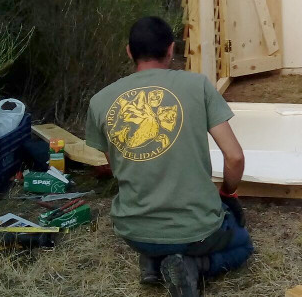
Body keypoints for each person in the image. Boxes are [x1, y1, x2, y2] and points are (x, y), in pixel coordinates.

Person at [85, 16, 253, 296]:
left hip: (134, 230)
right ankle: (195, 265)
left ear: (129, 51)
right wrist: (227, 193)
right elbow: (234, 157)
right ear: (171, 49)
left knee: (158, 239)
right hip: (196, 231)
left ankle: (152, 260)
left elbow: (118, 168)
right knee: (243, 244)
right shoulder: (197, 86)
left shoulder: (101, 101)